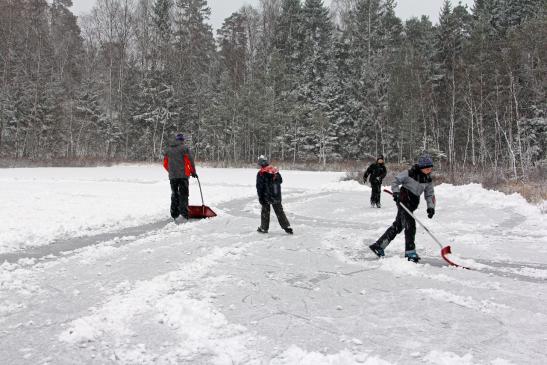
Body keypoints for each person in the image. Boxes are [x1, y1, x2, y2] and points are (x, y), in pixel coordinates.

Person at [368, 155, 436, 263]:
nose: (429, 170)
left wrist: (431, 208)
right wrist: (396, 192)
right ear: (421, 167)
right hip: (404, 201)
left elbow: (430, 195)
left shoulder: (427, 179)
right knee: (410, 225)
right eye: (427, 168)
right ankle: (410, 252)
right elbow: (395, 181)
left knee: (398, 226)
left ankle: (379, 246)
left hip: (412, 204)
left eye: (430, 167)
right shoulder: (409, 173)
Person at [163, 133, 198, 221]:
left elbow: (165, 164)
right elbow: (190, 161)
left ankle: (174, 213)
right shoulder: (185, 148)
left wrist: (171, 171)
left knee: (174, 193)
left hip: (173, 176)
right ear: (182, 140)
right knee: (184, 194)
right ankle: (184, 212)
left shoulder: (168, 149)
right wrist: (193, 172)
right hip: (183, 176)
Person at [256, 155, 293, 235]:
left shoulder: (261, 173)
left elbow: (259, 187)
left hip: (266, 196)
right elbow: (280, 180)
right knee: (279, 211)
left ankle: (264, 228)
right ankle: (287, 227)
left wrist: (260, 198)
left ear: (260, 163)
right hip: (276, 195)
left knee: (265, 212)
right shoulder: (274, 171)